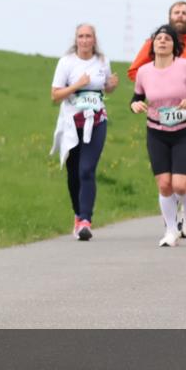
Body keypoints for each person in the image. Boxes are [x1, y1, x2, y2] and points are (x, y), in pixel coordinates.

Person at [127, 1, 186, 237]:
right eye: (176, 12)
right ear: (169, 16)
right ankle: (172, 225)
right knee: (165, 182)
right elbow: (135, 76)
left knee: (185, 171)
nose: (180, 15)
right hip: (158, 120)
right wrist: (157, 78)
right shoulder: (150, 52)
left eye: (184, 12)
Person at [50, 24, 118, 240]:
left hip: (96, 121)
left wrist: (111, 86)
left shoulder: (102, 61)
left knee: (87, 170)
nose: (85, 40)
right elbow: (55, 96)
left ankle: (86, 221)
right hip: (71, 123)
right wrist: (77, 85)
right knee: (73, 173)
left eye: (89, 36)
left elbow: (105, 87)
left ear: (94, 39)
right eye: (81, 36)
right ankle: (78, 215)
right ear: (76, 39)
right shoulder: (67, 62)